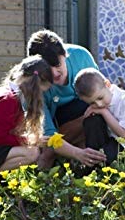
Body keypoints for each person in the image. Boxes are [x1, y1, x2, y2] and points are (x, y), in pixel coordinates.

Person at [26, 29, 106, 169]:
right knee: (47, 152)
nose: (54, 73)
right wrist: (78, 153)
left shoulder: (81, 57)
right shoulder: (34, 86)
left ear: (65, 55)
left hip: (88, 112)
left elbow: (104, 94)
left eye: (58, 65)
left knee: (95, 116)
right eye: (47, 69)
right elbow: (48, 135)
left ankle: (96, 168)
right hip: (56, 123)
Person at [0, 55, 53, 186]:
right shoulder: (8, 99)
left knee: (31, 149)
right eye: (41, 92)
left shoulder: (9, 93)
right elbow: (0, 137)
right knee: (31, 152)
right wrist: (30, 140)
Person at [74, 68, 125, 166]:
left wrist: (104, 112)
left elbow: (124, 135)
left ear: (107, 84)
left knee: (106, 151)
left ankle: (97, 165)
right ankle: (94, 164)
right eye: (92, 102)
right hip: (110, 146)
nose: (99, 104)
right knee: (91, 121)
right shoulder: (101, 103)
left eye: (100, 98)